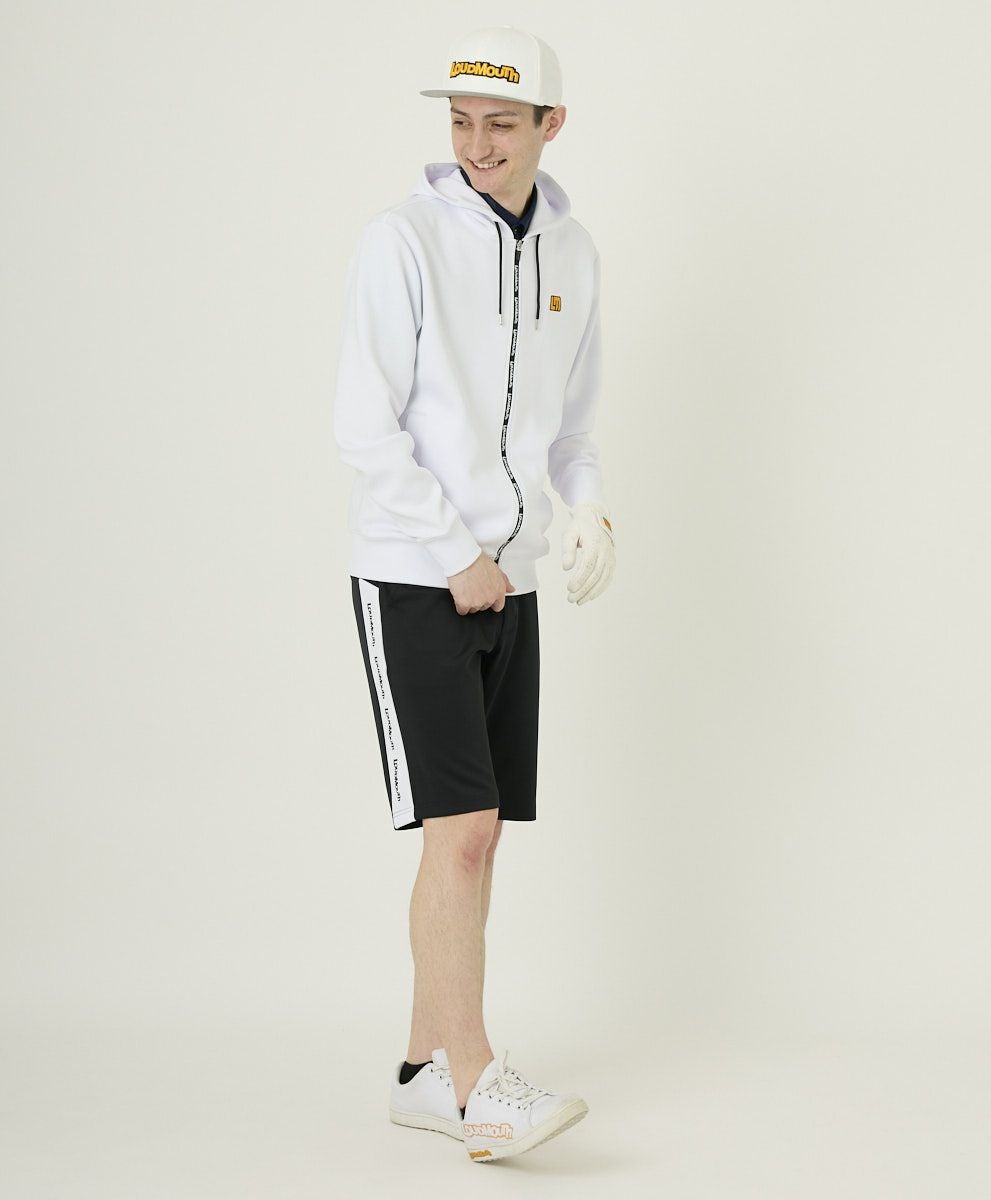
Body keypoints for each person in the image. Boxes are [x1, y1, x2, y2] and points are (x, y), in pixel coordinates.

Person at [332, 25, 616, 1163]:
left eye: (501, 123)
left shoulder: (574, 252)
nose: (477, 144)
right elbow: (364, 428)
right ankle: (475, 1081)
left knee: (478, 842)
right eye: (460, 121)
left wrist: (586, 511)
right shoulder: (400, 240)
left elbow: (573, 429)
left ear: (551, 125)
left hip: (512, 580)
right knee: (462, 833)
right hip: (418, 575)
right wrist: (457, 554)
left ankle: (421, 1071)